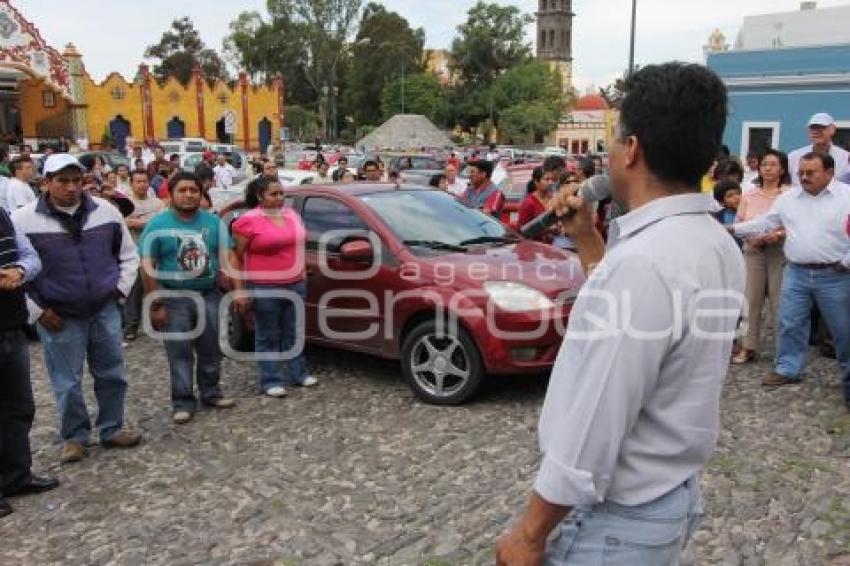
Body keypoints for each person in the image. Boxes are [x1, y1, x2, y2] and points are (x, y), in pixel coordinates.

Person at [496, 62, 743, 565]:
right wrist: (587, 238)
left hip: (614, 521)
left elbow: (597, 417)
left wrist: (530, 531)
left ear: (631, 150)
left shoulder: (643, 265)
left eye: (613, 139)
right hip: (667, 497)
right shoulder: (714, 243)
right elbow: (639, 323)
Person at [11, 154, 142, 464]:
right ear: (46, 183)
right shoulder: (23, 220)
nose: (71, 188)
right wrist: (37, 312)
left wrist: (119, 292)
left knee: (112, 373)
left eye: (76, 181)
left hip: (103, 309)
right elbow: (15, 272)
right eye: (62, 181)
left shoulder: (106, 212)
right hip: (57, 315)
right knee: (66, 382)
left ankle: (112, 428)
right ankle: (75, 437)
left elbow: (128, 255)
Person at [729, 152, 850, 409]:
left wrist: (846, 262)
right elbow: (767, 221)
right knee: (789, 322)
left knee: (843, 329)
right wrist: (734, 229)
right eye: (801, 172)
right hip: (796, 271)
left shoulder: (846, 197)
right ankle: (788, 368)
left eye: (811, 172)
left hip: (835, 275)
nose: (804, 177)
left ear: (829, 173)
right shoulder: (789, 199)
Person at [139, 171, 237, 424]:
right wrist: (155, 302)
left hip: (209, 294)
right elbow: (146, 264)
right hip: (173, 296)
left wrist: (239, 287)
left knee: (211, 347)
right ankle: (182, 401)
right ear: (170, 195)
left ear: (201, 194)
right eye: (182, 190)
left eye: (194, 190)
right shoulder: (157, 225)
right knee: (179, 350)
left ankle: (211, 392)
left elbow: (229, 256)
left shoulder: (214, 223)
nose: (189, 195)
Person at [231, 176, 316, 397]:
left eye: (281, 194)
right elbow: (236, 256)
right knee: (267, 334)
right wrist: (240, 289)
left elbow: (298, 245)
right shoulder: (248, 220)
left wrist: (303, 272)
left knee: (294, 331)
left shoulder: (292, 215)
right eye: (274, 194)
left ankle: (298, 373)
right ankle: (270, 380)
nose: (280, 198)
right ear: (260, 196)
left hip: (295, 283)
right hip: (264, 285)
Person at [0, 206, 59, 518]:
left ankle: (16, 476)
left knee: (19, 407)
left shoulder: (2, 215)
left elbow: (31, 257)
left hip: (10, 325)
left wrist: (19, 271)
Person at [732, 149, 789, 365]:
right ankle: (748, 346)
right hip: (753, 250)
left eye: (773, 164)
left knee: (780, 302)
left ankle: (782, 351)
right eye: (764, 164)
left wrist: (778, 234)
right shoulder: (748, 194)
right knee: (750, 300)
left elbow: (796, 225)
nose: (767, 168)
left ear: (782, 169)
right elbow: (739, 223)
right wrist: (752, 236)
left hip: (779, 251)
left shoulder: (789, 194)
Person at [123, 170, 165, 341]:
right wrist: (150, 221)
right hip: (134, 253)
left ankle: (158, 322)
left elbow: (161, 224)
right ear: (131, 184)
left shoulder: (157, 203)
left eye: (144, 181)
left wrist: (139, 221)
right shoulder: (126, 203)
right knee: (135, 291)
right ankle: (131, 326)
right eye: (138, 181)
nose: (142, 184)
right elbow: (126, 221)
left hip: (156, 252)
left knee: (157, 289)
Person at [788, 113, 850, 186]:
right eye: (812, 128)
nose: (816, 131)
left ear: (833, 130)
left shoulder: (846, 158)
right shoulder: (793, 157)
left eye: (822, 127)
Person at [517, 166, 552, 240]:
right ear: (536, 182)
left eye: (551, 179)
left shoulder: (553, 198)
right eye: (546, 179)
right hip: (536, 246)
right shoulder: (528, 202)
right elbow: (523, 230)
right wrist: (548, 229)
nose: (550, 182)